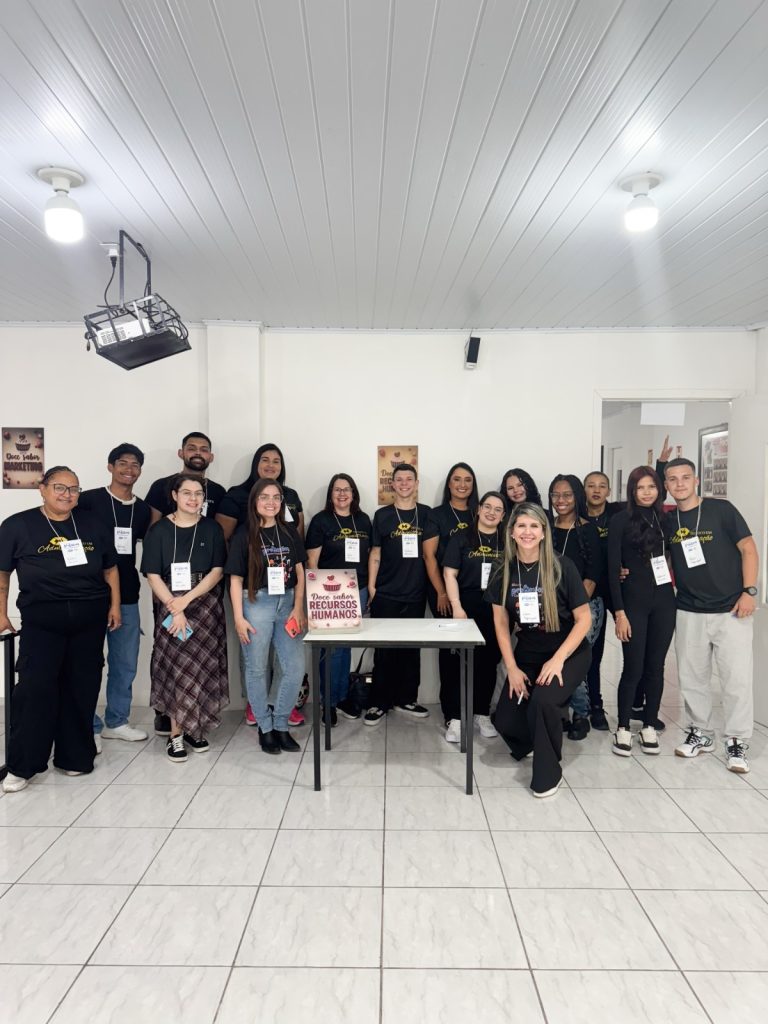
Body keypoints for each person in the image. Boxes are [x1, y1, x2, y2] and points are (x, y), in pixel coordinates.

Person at [0, 467, 121, 792]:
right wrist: (1, 613)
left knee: (81, 687)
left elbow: (110, 569)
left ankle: (74, 757)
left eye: (73, 489)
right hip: (43, 621)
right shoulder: (17, 525)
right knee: (35, 689)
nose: (67, 495)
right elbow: (2, 573)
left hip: (89, 619)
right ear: (42, 488)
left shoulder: (93, 524)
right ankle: (23, 766)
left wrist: (114, 606)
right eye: (59, 487)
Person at [488, 502, 592, 798]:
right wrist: (511, 668)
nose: (528, 532)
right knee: (505, 718)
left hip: (568, 651)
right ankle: (536, 740)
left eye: (534, 526)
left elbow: (584, 619)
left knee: (543, 702)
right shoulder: (502, 569)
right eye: (521, 525)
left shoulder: (562, 566)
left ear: (544, 532)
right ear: (511, 531)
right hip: (529, 651)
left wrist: (558, 660)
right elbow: (501, 621)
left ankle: (549, 773)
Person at [664, 457, 758, 773]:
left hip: (732, 609)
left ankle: (737, 740)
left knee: (736, 679)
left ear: (696, 481)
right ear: (666, 485)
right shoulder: (669, 520)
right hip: (688, 608)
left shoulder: (722, 510)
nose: (679, 484)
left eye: (685, 477)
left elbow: (748, 549)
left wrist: (749, 591)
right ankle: (701, 733)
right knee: (692, 678)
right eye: (673, 479)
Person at [216, 442, 306, 728]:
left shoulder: (289, 532)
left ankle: (280, 720)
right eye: (264, 497)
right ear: (254, 501)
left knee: (294, 667)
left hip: (287, 603)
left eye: (276, 498)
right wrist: (239, 617)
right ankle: (265, 726)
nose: (271, 502)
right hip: (256, 603)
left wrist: (298, 608)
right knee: (256, 667)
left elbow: (300, 571)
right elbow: (235, 578)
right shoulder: (244, 534)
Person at [141, 473, 229, 763]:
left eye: (199, 494)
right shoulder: (159, 530)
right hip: (170, 603)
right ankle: (176, 734)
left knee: (202, 667)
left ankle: (195, 728)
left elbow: (217, 571)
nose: (193, 499)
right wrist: (175, 607)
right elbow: (152, 574)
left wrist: (186, 600)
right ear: (175, 496)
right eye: (187, 493)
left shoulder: (212, 528)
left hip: (205, 604)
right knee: (177, 668)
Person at [78, 443, 151, 745]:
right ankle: (88, 724)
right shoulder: (88, 501)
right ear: (110, 466)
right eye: (122, 463)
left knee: (125, 662)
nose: (128, 470)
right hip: (89, 593)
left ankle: (117, 721)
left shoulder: (143, 509)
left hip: (128, 593)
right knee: (87, 662)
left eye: (135, 465)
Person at [608, 467, 676, 757]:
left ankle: (649, 724)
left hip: (664, 601)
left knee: (656, 668)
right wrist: (619, 613)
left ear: (659, 489)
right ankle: (623, 727)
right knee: (633, 667)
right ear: (632, 491)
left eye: (652, 486)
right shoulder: (620, 520)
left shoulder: (666, 519)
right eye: (640, 487)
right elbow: (612, 569)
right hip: (633, 602)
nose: (646, 492)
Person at [364, 463, 431, 725]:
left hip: (415, 593)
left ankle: (406, 699)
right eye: (399, 479)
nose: (404, 483)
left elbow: (431, 554)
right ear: (392, 484)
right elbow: (375, 553)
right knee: (384, 651)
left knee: (411, 651)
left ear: (416, 484)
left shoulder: (426, 514)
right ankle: (378, 702)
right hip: (386, 593)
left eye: (409, 479)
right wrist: (372, 587)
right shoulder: (382, 515)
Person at [306, 473, 372, 723]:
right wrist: (317, 594)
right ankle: (328, 703)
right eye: (337, 489)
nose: (342, 494)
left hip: (358, 589)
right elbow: (312, 561)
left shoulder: (363, 520)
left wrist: (370, 587)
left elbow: (370, 555)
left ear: (353, 494)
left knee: (346, 648)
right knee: (331, 650)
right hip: (330, 592)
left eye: (347, 489)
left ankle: (342, 697)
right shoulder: (321, 521)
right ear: (330, 494)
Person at [442, 491, 506, 743]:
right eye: (487, 507)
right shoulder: (462, 537)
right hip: (466, 607)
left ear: (503, 515)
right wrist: (457, 607)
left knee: (489, 662)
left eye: (498, 509)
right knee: (457, 663)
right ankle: (455, 718)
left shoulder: (507, 541)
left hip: (497, 609)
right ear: (478, 509)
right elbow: (449, 574)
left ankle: (482, 713)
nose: (491, 512)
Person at [548, 474, 603, 741]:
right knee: (554, 657)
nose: (561, 500)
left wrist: (574, 609)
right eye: (556, 495)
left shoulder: (588, 530)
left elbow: (592, 575)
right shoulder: (546, 528)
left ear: (577, 497)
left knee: (574, 660)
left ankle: (581, 714)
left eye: (567, 495)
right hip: (552, 608)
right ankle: (561, 714)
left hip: (584, 608)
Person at [423, 462, 478, 726]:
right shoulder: (438, 514)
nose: (462, 485)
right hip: (444, 593)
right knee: (451, 654)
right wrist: (442, 592)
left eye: (468, 480)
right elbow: (429, 556)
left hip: (477, 594)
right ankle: (452, 713)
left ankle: (477, 710)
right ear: (449, 483)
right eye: (457, 479)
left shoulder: (480, 512)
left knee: (480, 654)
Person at [582, 470, 625, 730]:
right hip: (591, 590)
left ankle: (636, 702)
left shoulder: (619, 514)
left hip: (618, 587)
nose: (596, 490)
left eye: (602, 486)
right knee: (592, 651)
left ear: (609, 491)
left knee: (632, 645)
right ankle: (593, 705)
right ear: (584, 490)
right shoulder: (577, 516)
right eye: (591, 485)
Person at [216, 443, 305, 540]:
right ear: (256, 464)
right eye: (265, 460)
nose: (271, 465)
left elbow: (299, 538)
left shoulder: (291, 495)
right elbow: (222, 540)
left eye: (276, 462)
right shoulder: (236, 496)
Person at [145, 431, 226, 524]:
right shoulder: (161, 486)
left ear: (211, 457)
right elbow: (151, 527)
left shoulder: (219, 491)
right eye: (191, 449)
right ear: (181, 453)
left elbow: (219, 529)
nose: (198, 453)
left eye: (204, 450)